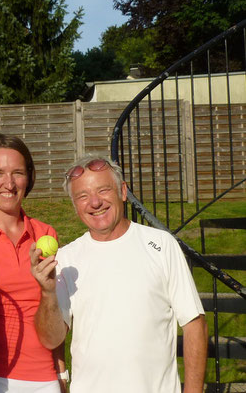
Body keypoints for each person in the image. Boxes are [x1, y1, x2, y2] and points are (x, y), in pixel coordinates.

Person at [30, 155, 208, 393]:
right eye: (82, 196)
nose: (94, 202)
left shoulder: (161, 245)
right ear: (75, 207)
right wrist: (47, 291)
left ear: (123, 191)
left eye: (103, 190)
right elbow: (51, 339)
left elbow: (195, 324)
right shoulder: (66, 259)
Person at [0, 134, 68, 393]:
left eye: (17, 172)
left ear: (28, 177)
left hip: (42, 379)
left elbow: (53, 334)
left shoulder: (45, 234)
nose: (9, 183)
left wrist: (61, 372)